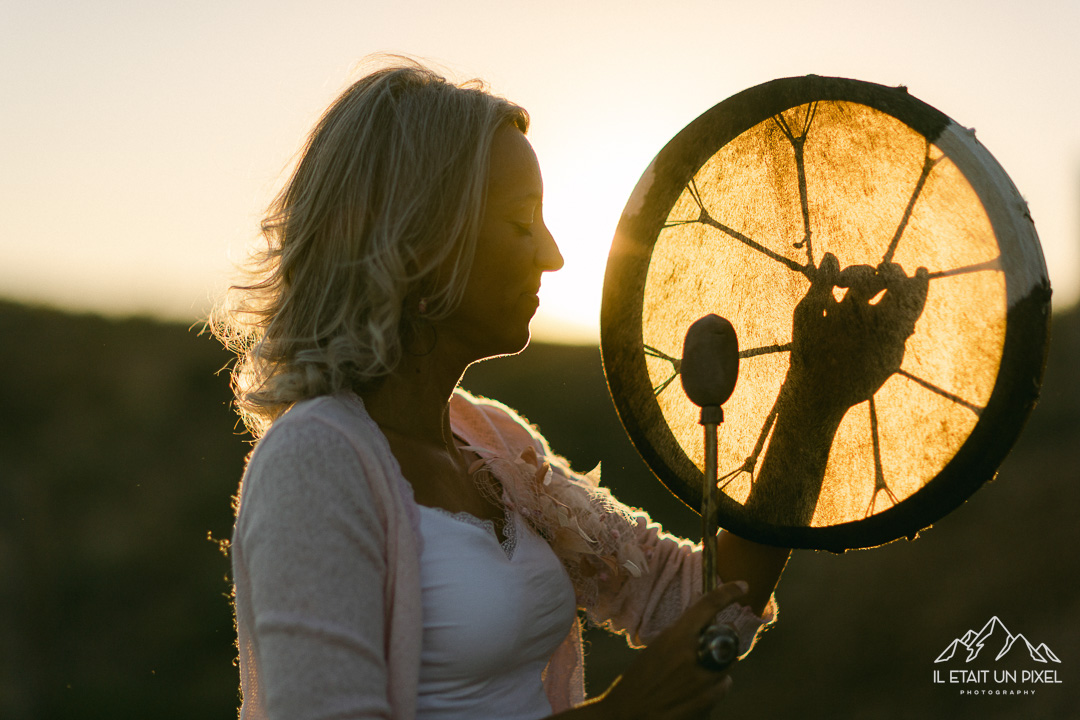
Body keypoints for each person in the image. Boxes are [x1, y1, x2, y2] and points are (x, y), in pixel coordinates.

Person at [213, 56, 790, 720]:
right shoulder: (313, 464)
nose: (551, 253)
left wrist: (812, 402)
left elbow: (689, 597)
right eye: (521, 223)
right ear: (417, 247)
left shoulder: (494, 445)